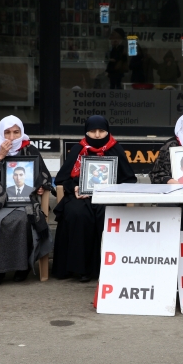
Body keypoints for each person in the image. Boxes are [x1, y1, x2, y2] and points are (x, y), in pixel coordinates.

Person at [52, 115, 137, 281]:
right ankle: (80, 269)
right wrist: (74, 188)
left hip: (109, 196)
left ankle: (104, 268)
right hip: (80, 195)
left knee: (104, 213)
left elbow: (129, 179)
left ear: (107, 131)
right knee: (77, 214)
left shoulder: (115, 149)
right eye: (92, 131)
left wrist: (112, 189)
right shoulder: (78, 149)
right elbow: (62, 179)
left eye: (101, 131)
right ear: (86, 132)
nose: (97, 135)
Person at [0, 115, 53, 287]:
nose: (11, 138)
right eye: (7, 132)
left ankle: (22, 267)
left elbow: (43, 174)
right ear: (1, 133)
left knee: (22, 219)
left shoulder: (29, 149)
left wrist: (40, 186)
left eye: (16, 133)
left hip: (24, 202)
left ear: (21, 132)